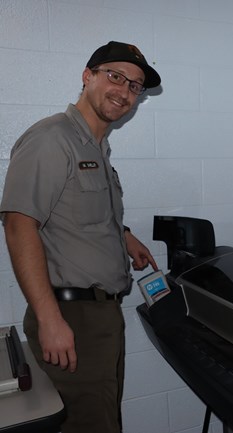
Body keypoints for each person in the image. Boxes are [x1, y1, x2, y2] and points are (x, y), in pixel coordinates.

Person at [0, 41, 161, 433]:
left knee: (104, 419)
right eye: (116, 76)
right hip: (71, 318)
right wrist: (49, 318)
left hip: (100, 318)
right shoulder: (52, 138)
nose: (125, 91)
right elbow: (19, 223)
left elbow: (74, 213)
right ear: (88, 76)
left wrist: (123, 236)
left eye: (135, 86)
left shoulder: (97, 148)